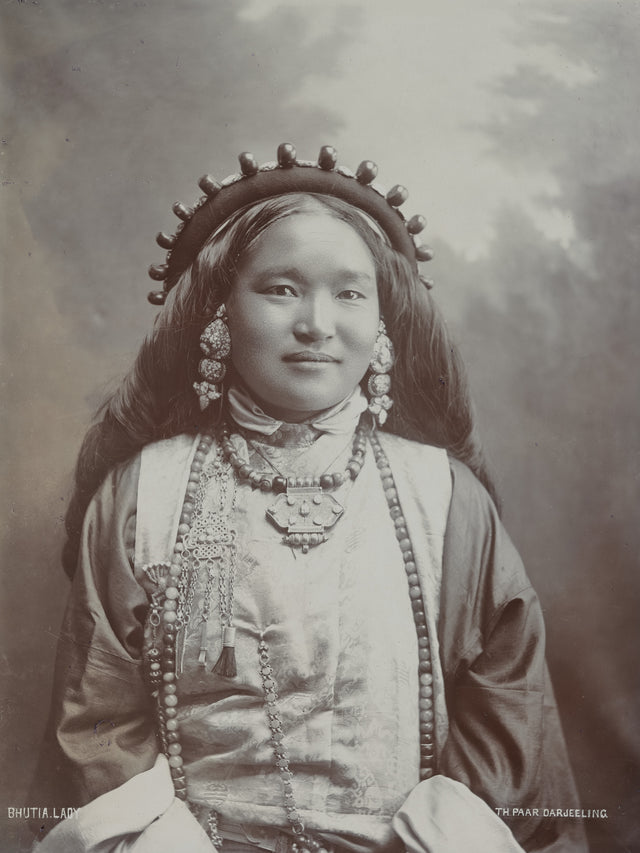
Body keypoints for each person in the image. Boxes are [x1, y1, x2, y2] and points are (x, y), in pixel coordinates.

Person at [31, 144, 587, 853]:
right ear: (218, 313)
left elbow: (507, 716)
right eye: (281, 289)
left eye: (349, 292)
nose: (317, 323)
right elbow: (97, 721)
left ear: (384, 325)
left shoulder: (446, 499)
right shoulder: (143, 495)